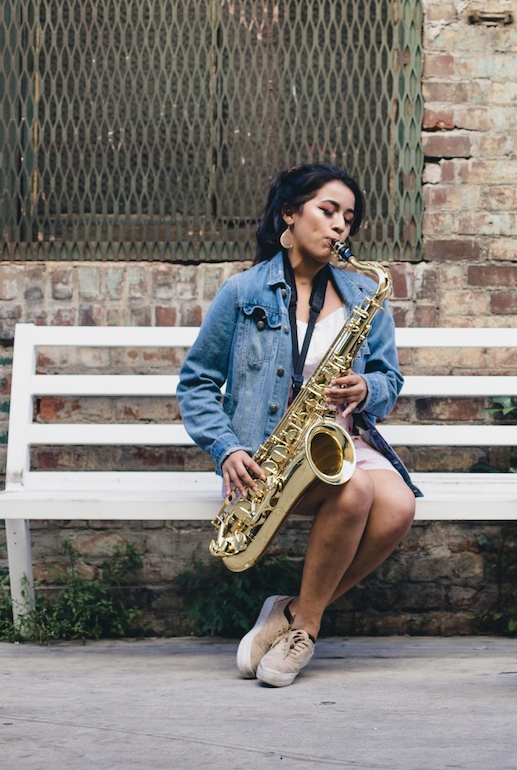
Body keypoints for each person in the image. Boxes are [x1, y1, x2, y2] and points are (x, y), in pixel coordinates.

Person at [177, 164, 418, 688]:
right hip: (266, 453)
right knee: (352, 490)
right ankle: (305, 627)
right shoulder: (242, 293)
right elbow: (195, 384)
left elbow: (389, 380)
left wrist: (367, 389)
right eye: (327, 211)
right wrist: (226, 449)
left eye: (348, 218)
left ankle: (294, 615)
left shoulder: (363, 295)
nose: (339, 227)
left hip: (343, 440)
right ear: (290, 213)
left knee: (399, 506)